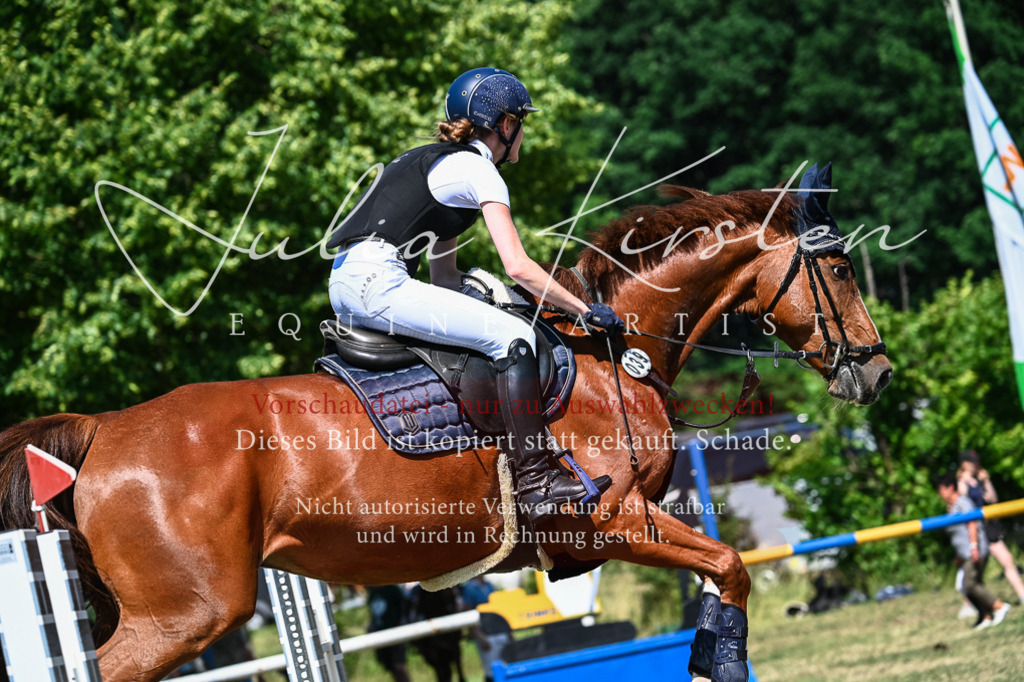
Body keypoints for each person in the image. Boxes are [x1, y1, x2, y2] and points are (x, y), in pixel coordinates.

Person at [327, 67, 619, 524]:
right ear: (505, 125)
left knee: (496, 322)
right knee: (513, 339)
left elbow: (443, 276)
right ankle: (536, 481)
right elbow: (519, 266)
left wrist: (486, 293)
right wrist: (585, 311)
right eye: (521, 122)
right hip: (379, 282)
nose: (522, 134)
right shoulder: (481, 172)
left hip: (347, 280)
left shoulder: (433, 161)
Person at [936, 473, 1011, 630]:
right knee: (970, 585)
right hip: (965, 552)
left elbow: (972, 523)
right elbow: (958, 533)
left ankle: (998, 606)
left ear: (950, 487)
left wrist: (973, 547)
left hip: (974, 550)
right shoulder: (952, 506)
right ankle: (986, 616)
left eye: (941, 489)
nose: (939, 493)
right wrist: (959, 554)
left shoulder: (962, 502)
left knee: (969, 584)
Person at [957, 450, 1024, 605]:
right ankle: (972, 604)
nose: (976, 464)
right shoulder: (962, 485)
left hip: (989, 527)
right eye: (972, 462)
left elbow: (993, 500)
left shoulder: (979, 481)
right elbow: (964, 509)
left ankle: (1021, 594)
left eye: (976, 461)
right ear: (964, 464)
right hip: (976, 529)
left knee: (1007, 560)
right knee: (975, 573)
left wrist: (987, 482)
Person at [367, 585, 412, 682]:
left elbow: (404, 605)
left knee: (399, 667)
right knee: (391, 668)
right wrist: (371, 626)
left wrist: (402, 621)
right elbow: (374, 614)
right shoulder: (372, 594)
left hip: (396, 633)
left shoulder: (392, 589)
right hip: (381, 636)